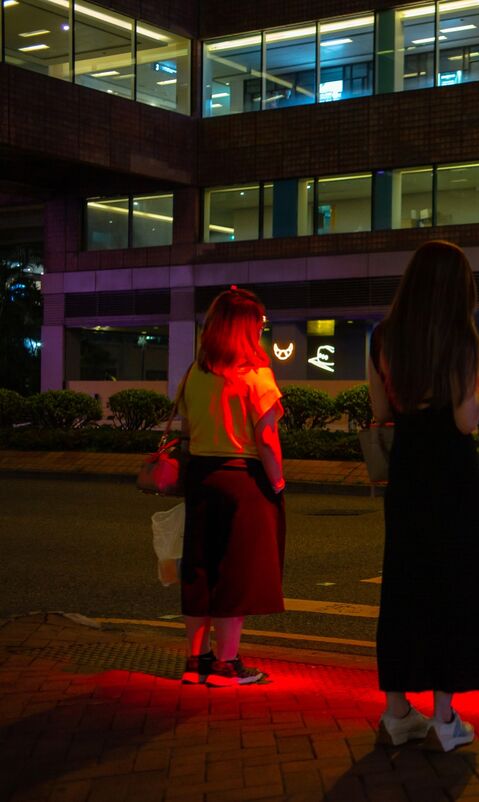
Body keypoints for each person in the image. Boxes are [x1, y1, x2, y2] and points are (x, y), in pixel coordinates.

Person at [368, 241, 479, 753]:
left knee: (403, 583)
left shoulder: (384, 337)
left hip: (408, 471)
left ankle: (397, 712)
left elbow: (380, 409)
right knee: (454, 589)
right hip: (452, 473)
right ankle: (444, 717)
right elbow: (466, 419)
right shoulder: (462, 338)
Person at [178, 287, 286, 687]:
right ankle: (226, 664)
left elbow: (188, 429)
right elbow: (267, 439)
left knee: (199, 567)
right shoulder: (256, 376)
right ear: (246, 329)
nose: (262, 328)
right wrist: (277, 482)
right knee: (236, 570)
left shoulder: (195, 373)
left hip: (201, 476)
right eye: (259, 322)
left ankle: (196, 660)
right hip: (243, 478)